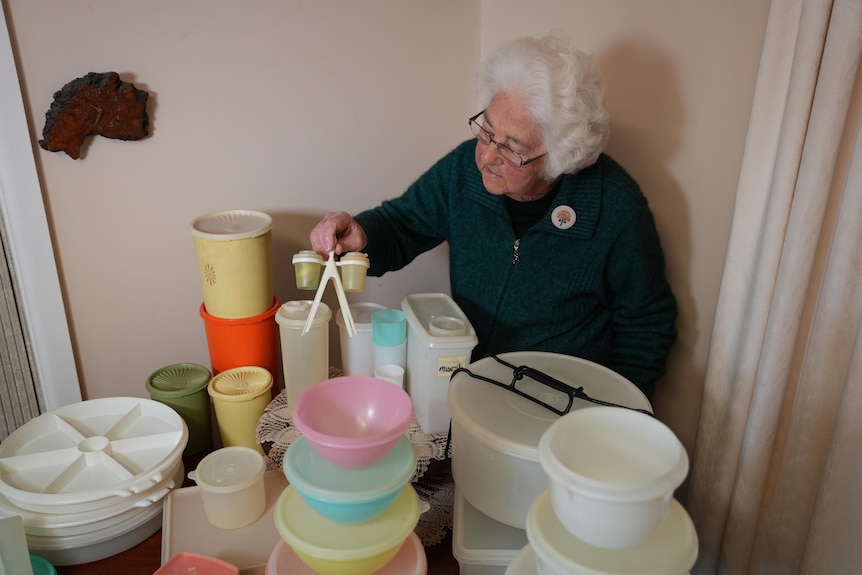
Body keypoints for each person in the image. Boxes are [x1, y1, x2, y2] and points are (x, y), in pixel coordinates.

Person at [310, 31, 677, 399]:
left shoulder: (615, 208)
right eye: (486, 131)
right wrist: (362, 235)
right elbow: (403, 222)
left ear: (558, 158)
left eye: (511, 149)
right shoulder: (462, 172)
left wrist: (616, 414)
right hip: (475, 386)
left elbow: (645, 325)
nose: (485, 157)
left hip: (562, 407)